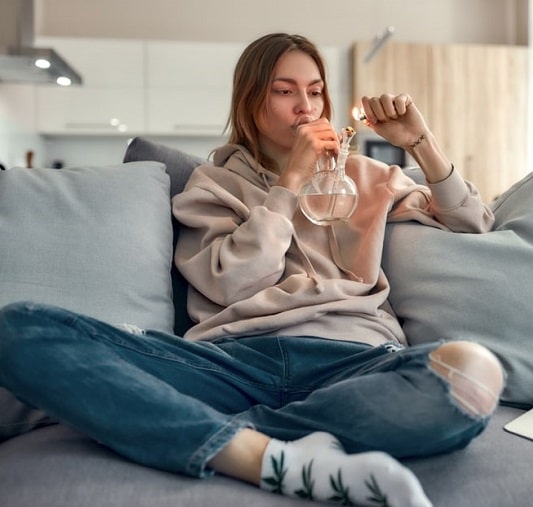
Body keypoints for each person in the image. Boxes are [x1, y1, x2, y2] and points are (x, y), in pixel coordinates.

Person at [0, 33, 504, 507]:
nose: (305, 106)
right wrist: (290, 182)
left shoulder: (364, 175)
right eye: (285, 91)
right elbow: (236, 280)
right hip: (233, 363)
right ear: (250, 101)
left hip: (355, 360)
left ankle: (229, 436)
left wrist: (421, 143)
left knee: (473, 370)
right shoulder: (212, 185)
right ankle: (267, 456)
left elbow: (472, 223)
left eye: (315, 91)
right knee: (18, 329)